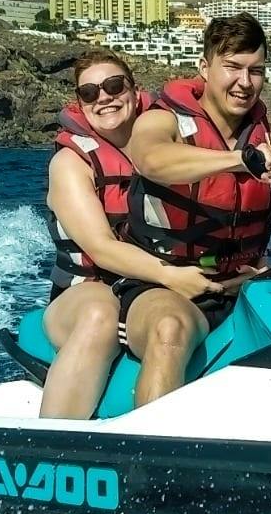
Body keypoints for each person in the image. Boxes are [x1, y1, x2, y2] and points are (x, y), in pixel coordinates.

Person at [118, 13, 271, 407]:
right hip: (162, 286)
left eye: (256, 71)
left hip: (242, 285)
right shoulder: (162, 121)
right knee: (170, 329)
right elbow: (150, 159)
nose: (245, 82)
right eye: (233, 67)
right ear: (205, 68)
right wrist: (240, 160)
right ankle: (150, 462)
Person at [39, 51, 221, 419]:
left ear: (135, 91)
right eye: (89, 93)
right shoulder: (71, 163)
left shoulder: (171, 143)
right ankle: (50, 447)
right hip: (90, 288)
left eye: (113, 85)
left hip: (152, 287)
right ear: (80, 104)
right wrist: (172, 276)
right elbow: (102, 248)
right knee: (99, 315)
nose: (103, 97)